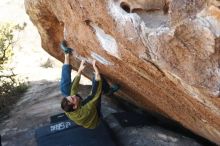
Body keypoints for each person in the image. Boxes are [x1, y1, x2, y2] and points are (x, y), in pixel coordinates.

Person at [60, 41, 119, 129]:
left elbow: (73, 90)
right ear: (75, 106)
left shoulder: (67, 107)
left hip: (78, 109)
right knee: (98, 80)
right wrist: (97, 73)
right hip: (94, 118)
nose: (72, 96)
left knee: (64, 89)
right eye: (72, 98)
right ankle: (108, 91)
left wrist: (80, 70)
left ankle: (67, 54)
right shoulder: (86, 110)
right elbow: (94, 94)